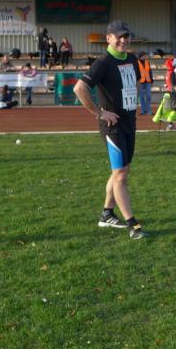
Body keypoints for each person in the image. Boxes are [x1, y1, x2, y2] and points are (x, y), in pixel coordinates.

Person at [73, 20, 146, 240]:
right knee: (121, 174)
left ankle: (106, 214)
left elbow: (135, 84)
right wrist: (99, 113)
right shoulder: (103, 62)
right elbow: (80, 88)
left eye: (126, 36)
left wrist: (132, 104)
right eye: (119, 36)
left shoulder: (132, 59)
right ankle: (133, 224)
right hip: (112, 127)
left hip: (129, 123)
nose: (124, 40)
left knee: (120, 172)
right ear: (109, 39)